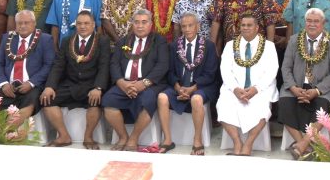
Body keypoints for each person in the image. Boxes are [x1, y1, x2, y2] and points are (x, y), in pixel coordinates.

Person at [40, 10, 110, 148]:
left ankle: (88, 137)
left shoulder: (102, 41)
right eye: (79, 23)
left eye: (86, 23)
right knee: (47, 99)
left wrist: (98, 88)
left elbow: (104, 66)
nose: (82, 26)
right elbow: (58, 66)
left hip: (92, 85)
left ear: (93, 25)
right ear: (75, 25)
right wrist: (49, 86)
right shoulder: (67, 40)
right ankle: (63, 136)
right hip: (71, 84)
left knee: (95, 102)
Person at [279, 8, 330, 159]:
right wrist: (293, 88)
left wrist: (316, 91)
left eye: (316, 21)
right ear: (304, 22)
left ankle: (303, 143)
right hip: (296, 86)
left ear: (323, 23)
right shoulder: (294, 40)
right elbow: (286, 67)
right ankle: (303, 145)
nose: (312, 24)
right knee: (284, 102)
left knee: (323, 107)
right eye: (309, 21)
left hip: (322, 89)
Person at [103, 9, 169, 151]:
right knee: (108, 101)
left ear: (151, 24)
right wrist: (121, 83)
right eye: (137, 22)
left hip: (149, 84)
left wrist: (143, 83)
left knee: (148, 101)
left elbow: (162, 65)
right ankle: (123, 137)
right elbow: (114, 64)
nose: (140, 26)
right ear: (132, 24)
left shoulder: (159, 41)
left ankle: (133, 138)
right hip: (125, 83)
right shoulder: (123, 41)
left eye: (144, 22)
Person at [217, 13, 279, 156]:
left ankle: (248, 144)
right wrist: (235, 89)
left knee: (263, 108)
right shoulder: (230, 45)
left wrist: (256, 89)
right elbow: (225, 70)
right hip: (235, 87)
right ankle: (237, 142)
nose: (245, 28)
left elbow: (272, 70)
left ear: (257, 28)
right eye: (243, 25)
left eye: (249, 25)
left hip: (261, 88)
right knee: (223, 104)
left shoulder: (268, 46)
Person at [157, 13, 219, 155]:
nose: (187, 29)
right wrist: (178, 87)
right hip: (179, 86)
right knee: (162, 97)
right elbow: (170, 71)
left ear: (198, 26)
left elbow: (210, 73)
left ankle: (197, 140)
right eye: (184, 26)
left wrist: (192, 89)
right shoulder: (174, 46)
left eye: (190, 25)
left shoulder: (208, 46)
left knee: (196, 99)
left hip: (201, 86)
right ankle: (167, 140)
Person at [0, 10, 55, 124]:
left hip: (32, 85)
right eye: (19, 23)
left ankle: (8, 131)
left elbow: (48, 65)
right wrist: (3, 83)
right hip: (8, 85)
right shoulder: (7, 38)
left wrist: (31, 83)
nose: (22, 26)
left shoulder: (45, 39)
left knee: (28, 106)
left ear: (34, 23)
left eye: (26, 23)